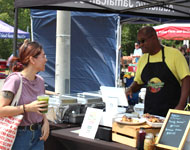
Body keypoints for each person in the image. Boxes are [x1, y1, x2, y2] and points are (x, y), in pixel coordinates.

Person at [126, 26, 190, 117]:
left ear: (153, 38)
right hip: (149, 115)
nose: (140, 45)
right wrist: (131, 89)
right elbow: (138, 82)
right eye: (139, 42)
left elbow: (186, 80)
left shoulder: (174, 55)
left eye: (143, 41)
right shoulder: (143, 60)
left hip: (172, 114)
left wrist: (180, 106)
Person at [0, 39, 49, 150]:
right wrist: (26, 108)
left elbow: (40, 107)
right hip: (18, 135)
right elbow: (0, 110)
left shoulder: (40, 81)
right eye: (43, 56)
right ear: (32, 59)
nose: (46, 60)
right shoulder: (15, 80)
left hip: (38, 135)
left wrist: (45, 122)